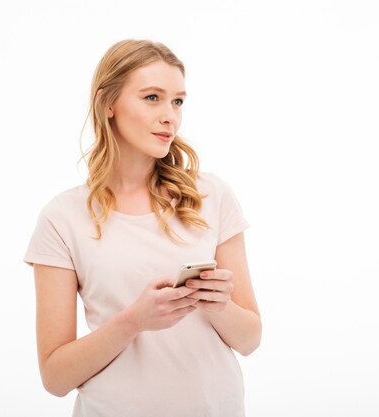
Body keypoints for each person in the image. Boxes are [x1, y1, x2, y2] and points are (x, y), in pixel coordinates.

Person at [23, 39, 261, 417]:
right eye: (153, 97)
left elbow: (249, 339)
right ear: (108, 104)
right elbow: (54, 377)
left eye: (178, 101)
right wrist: (134, 321)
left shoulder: (212, 196)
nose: (170, 116)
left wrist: (218, 305)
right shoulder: (62, 217)